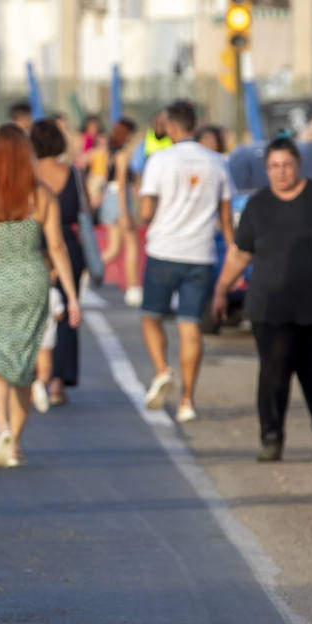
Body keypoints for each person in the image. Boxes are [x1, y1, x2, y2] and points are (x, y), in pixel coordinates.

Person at [212, 137, 312, 461]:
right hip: (269, 306)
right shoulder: (257, 204)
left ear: (298, 165)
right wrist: (222, 289)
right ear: (267, 170)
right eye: (274, 167)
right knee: (273, 375)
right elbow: (241, 252)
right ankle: (271, 438)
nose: (281, 172)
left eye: (287, 165)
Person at [0, 124, 82, 467]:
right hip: (31, 282)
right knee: (24, 366)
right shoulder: (41, 195)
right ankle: (15, 444)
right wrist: (71, 296)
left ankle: (0, 428)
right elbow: (56, 247)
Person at [138, 99, 235, 423]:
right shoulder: (217, 162)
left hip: (164, 251)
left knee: (151, 316)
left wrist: (144, 213)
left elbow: (146, 212)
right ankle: (187, 401)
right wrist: (233, 250)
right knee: (190, 325)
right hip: (200, 254)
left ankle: (162, 370)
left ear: (171, 126)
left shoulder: (160, 160)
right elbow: (225, 217)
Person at [30, 118, 90, 406]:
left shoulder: (29, 173)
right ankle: (57, 382)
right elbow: (85, 208)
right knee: (65, 310)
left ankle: (35, 372)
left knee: (34, 309)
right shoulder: (72, 173)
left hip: (33, 243)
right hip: (67, 245)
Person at [97, 118, 141, 306]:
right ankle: (133, 288)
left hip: (110, 198)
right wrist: (125, 212)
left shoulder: (110, 153)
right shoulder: (122, 155)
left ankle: (85, 269)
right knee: (132, 245)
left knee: (114, 249)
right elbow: (122, 184)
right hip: (119, 201)